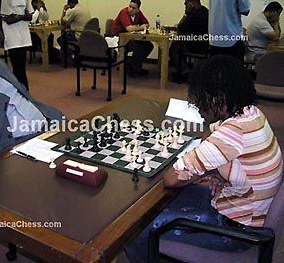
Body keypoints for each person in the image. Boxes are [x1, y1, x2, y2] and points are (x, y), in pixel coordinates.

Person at [125, 55, 283, 263]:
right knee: (159, 204)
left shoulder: (232, 132)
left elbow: (171, 178)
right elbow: (215, 143)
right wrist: (214, 172)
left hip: (236, 232)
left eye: (200, 100)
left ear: (218, 98)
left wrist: (201, 171)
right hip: (245, 208)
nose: (197, 107)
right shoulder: (251, 113)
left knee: (135, 230)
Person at [110, 0, 153, 77]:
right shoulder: (124, 12)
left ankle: (134, 66)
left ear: (138, 10)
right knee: (139, 47)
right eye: (130, 6)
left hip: (129, 38)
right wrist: (140, 27)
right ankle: (133, 68)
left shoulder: (139, 13)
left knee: (148, 46)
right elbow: (129, 28)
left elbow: (146, 24)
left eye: (133, 8)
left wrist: (139, 27)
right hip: (119, 38)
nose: (130, 9)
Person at [0, 0, 35, 90]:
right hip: (13, 38)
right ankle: (23, 90)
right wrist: (23, 16)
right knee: (17, 67)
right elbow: (8, 19)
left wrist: (18, 17)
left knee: (22, 67)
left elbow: (30, 16)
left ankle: (22, 90)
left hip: (23, 37)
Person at [169, 0, 208, 78]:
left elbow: (181, 28)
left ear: (192, 3)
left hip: (196, 45)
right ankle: (185, 68)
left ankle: (184, 72)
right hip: (205, 44)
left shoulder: (194, 15)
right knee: (178, 44)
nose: (185, 4)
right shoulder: (205, 11)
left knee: (174, 48)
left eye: (186, 2)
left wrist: (186, 14)